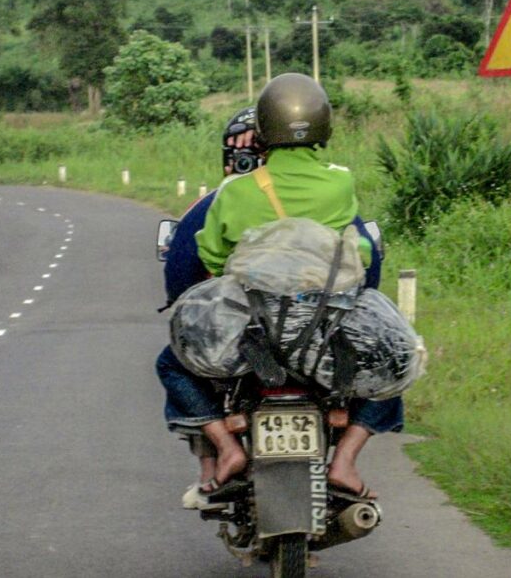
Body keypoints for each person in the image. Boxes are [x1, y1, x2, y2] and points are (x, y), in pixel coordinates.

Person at [157, 75, 402, 508]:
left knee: (173, 364)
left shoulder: (234, 192)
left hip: (251, 335)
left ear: (264, 133)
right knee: (395, 359)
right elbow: (353, 246)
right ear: (323, 126)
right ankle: (345, 460)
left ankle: (226, 448)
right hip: (322, 333)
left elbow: (211, 255)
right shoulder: (341, 184)